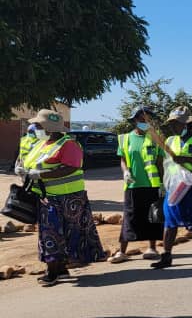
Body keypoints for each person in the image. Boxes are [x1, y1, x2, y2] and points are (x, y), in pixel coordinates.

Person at [16, 109, 106, 285]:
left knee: (57, 235)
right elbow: (29, 163)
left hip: (68, 198)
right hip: (47, 197)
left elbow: (70, 168)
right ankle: (61, 270)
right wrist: (23, 171)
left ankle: (53, 272)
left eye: (39, 125)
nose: (35, 127)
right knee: (52, 234)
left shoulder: (69, 144)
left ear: (49, 127)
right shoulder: (42, 144)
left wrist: (40, 175)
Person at [151, 108, 192, 268]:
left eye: (176, 123)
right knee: (170, 217)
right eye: (171, 123)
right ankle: (166, 255)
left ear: (185, 123)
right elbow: (164, 163)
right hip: (175, 185)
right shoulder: (170, 141)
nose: (173, 127)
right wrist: (162, 183)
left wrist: (185, 159)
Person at [109, 106, 164, 264]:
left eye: (147, 120)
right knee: (130, 216)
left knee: (152, 216)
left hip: (152, 184)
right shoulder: (125, 138)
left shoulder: (156, 137)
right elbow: (123, 159)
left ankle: (152, 248)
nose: (144, 122)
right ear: (134, 121)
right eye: (141, 119)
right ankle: (122, 251)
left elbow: (160, 163)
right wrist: (125, 171)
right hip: (133, 185)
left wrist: (163, 183)